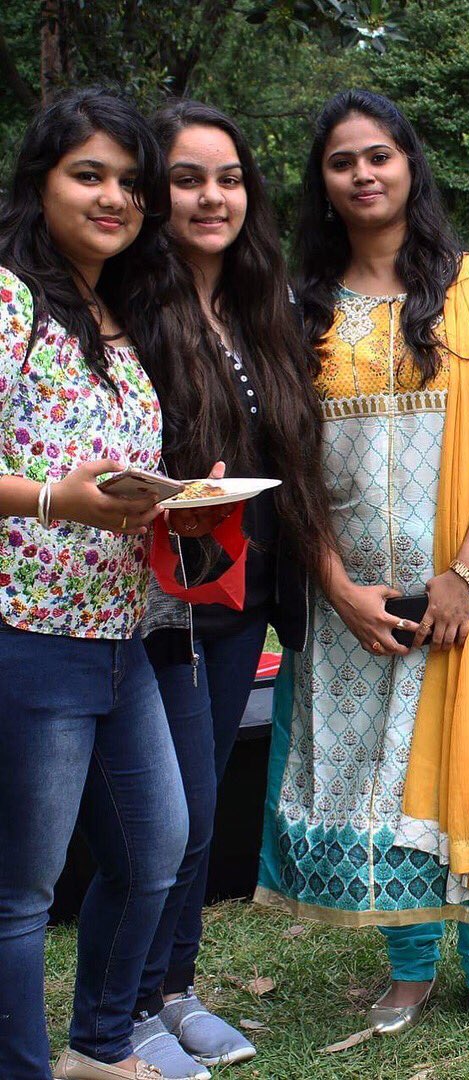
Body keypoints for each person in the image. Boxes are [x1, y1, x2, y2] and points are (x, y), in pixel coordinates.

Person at [255, 89, 469, 1049]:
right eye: (342, 162)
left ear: (411, 166)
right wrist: (335, 586)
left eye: (379, 155)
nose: (364, 174)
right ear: (324, 183)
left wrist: (465, 573)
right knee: (383, 782)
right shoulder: (297, 307)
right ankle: (411, 966)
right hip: (351, 592)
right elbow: (288, 461)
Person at [121, 101, 335, 1079]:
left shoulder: (262, 305)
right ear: (152, 192)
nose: (214, 197)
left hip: (243, 593)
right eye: (188, 177)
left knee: (202, 808)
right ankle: (125, 1010)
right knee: (162, 812)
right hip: (156, 598)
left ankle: (174, 991)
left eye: (230, 177)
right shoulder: (127, 309)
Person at [0, 88, 188, 1080]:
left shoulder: (119, 309)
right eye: (90, 174)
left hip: (119, 632)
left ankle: (98, 1050)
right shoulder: (8, 297)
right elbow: (48, 484)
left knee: (156, 849)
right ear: (42, 181)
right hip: (28, 631)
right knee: (23, 892)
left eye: (130, 182)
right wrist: (51, 504)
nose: (113, 197)